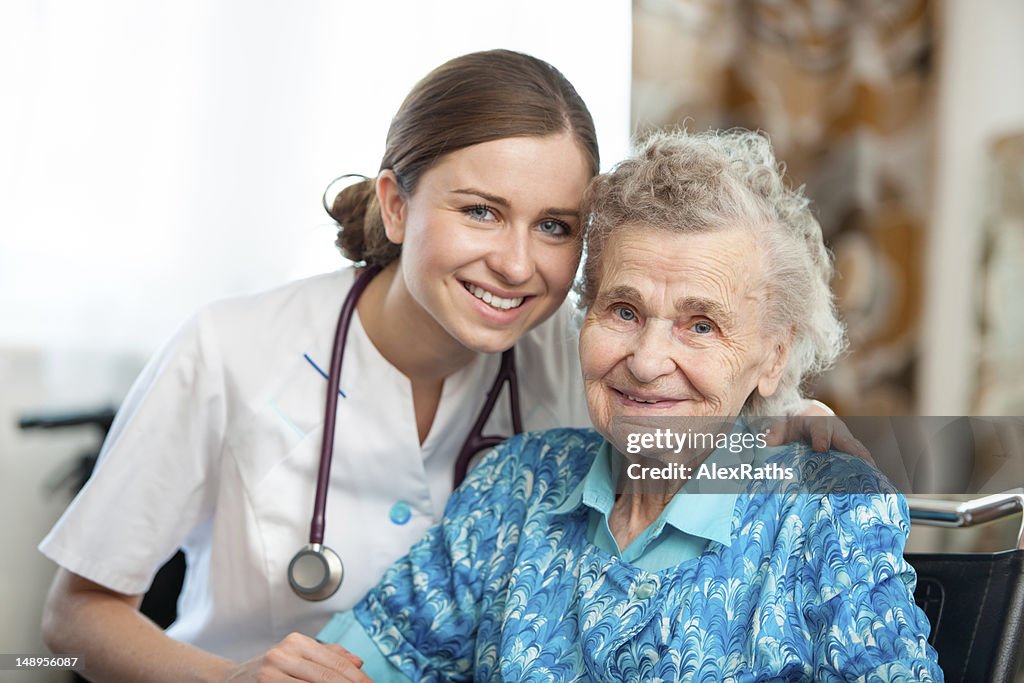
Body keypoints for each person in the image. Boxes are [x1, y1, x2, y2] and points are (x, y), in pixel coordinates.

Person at [38, 50, 859, 682]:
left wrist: (776, 424)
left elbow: (681, 406)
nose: (515, 263)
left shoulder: (584, 354)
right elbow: (75, 616)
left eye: (554, 226)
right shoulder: (228, 350)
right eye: (480, 212)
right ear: (397, 205)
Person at [316, 129, 943, 681]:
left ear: (772, 358)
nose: (646, 361)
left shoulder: (824, 516)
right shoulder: (515, 485)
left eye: (701, 325)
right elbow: (353, 668)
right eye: (623, 310)